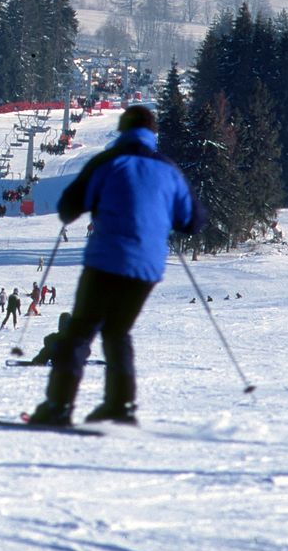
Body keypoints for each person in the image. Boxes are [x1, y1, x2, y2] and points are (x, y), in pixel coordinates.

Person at [33, 104, 206, 427]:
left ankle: (58, 406)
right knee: (117, 332)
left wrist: (87, 207)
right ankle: (120, 404)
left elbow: (69, 204)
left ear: (122, 130)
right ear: (152, 134)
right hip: (147, 269)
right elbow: (193, 221)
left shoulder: (108, 162)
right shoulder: (169, 169)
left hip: (106, 259)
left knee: (81, 329)